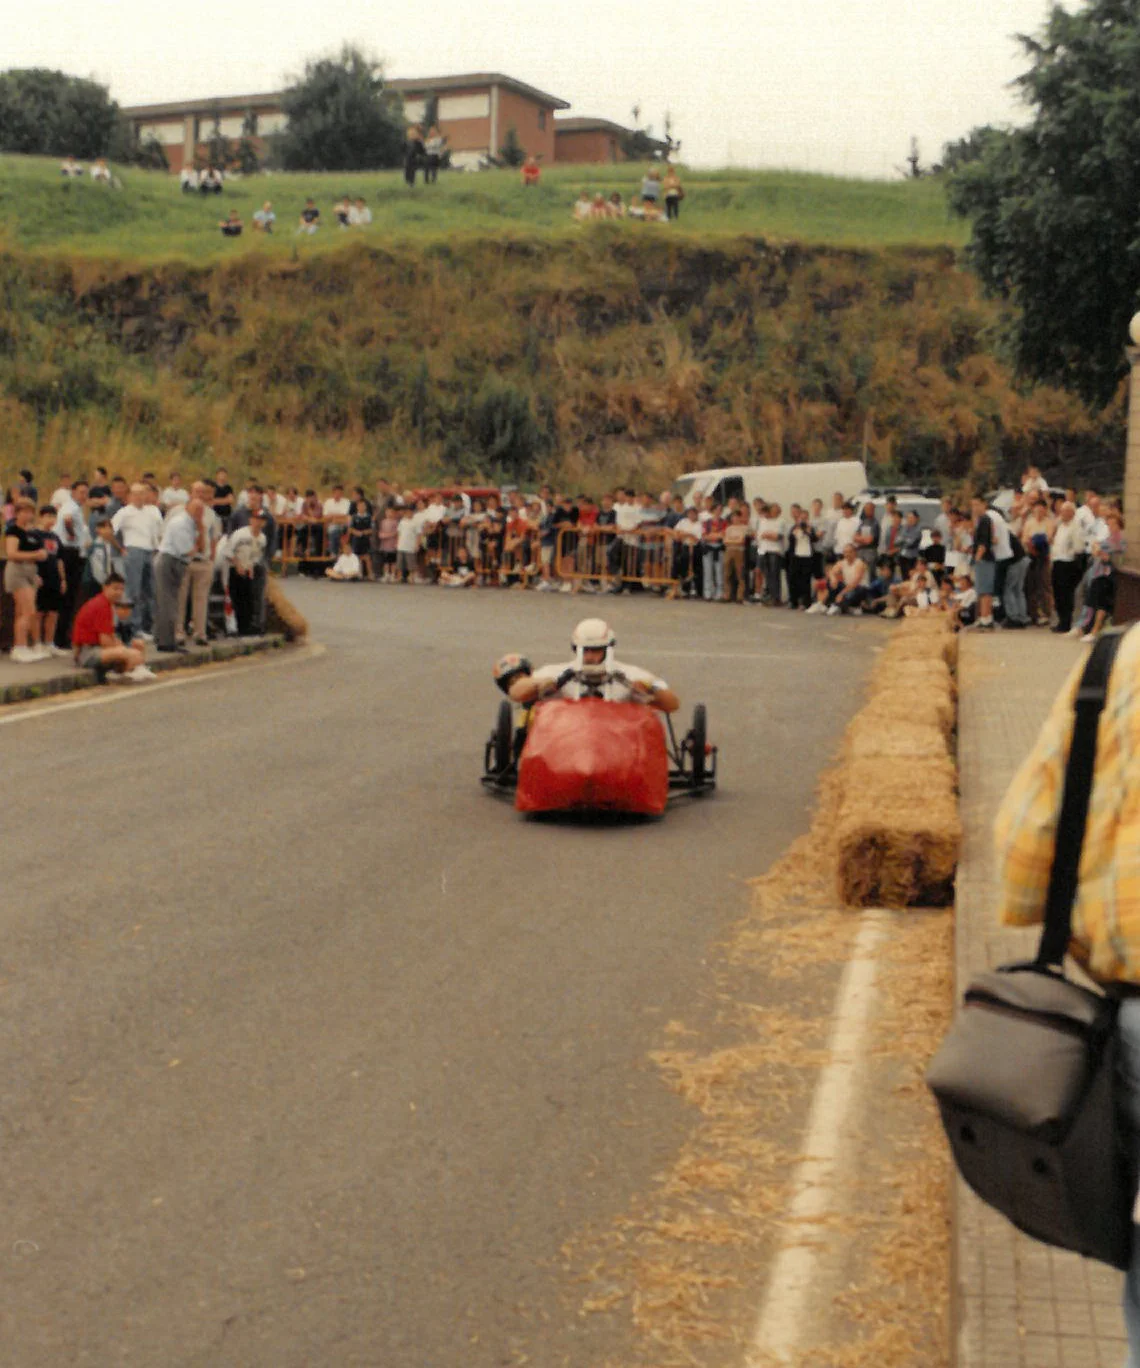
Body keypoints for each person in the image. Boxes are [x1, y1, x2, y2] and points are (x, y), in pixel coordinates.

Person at [509, 619, 680, 712]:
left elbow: (673, 703)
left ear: (607, 649)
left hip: (617, 746)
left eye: (596, 650)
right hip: (564, 745)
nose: (590, 656)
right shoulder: (555, 672)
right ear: (576, 649)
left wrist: (650, 690)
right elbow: (516, 692)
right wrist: (539, 684)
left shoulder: (631, 675)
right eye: (585, 650)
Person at [71, 574, 154, 682]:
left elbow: (110, 636)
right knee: (130, 653)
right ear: (105, 588)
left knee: (138, 646)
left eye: (121, 589)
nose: (119, 592)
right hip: (87, 652)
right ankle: (123, 673)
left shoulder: (107, 604)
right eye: (115, 588)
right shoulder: (101, 605)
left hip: (96, 648)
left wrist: (125, 647)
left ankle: (130, 669)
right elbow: (105, 641)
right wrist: (126, 650)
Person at [112, 482, 162, 639]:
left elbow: (158, 531)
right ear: (130, 496)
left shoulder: (151, 511)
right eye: (136, 494)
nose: (139, 497)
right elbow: (111, 530)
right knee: (134, 590)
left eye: (142, 493)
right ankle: (134, 626)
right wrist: (120, 548)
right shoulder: (125, 512)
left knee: (150, 590)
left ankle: (148, 626)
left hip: (150, 550)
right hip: (133, 549)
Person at [154, 499, 204, 653]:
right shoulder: (181, 523)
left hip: (177, 562)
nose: (198, 513)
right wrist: (196, 546)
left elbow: (201, 547)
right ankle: (166, 642)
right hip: (170, 561)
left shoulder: (192, 524)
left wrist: (201, 531)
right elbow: (187, 550)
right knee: (168, 602)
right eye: (195, 509)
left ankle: (164, 638)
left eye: (201, 510)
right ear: (187, 508)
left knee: (172, 601)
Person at [34, 506, 69, 658]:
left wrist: (63, 579)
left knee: (53, 612)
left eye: (53, 517)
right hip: (40, 577)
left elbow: (59, 559)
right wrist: (34, 574)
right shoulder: (34, 534)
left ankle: (49, 643)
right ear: (40, 517)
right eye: (48, 516)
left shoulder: (55, 537)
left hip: (54, 577)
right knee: (39, 612)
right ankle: (37, 643)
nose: (51, 520)